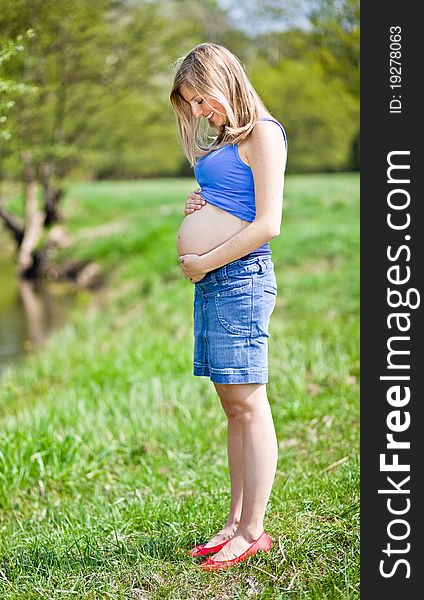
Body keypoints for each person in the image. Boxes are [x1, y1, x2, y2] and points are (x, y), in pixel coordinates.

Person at [170, 43, 287, 571]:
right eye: (191, 104)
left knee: (249, 403)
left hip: (239, 277)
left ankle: (253, 531)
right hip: (216, 281)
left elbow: (268, 224)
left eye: (201, 99)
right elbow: (230, 200)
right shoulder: (229, 138)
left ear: (223, 81)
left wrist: (204, 258)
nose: (198, 112)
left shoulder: (264, 131)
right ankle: (235, 521)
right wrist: (201, 203)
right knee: (231, 407)